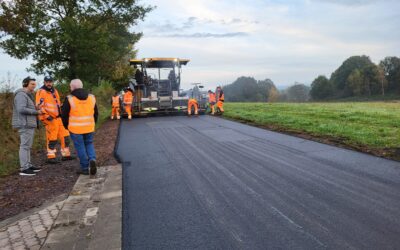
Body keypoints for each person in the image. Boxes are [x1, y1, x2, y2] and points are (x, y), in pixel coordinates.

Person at [61, 79, 98, 175]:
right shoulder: (91, 97)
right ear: (81, 86)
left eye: (70, 86)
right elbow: (96, 113)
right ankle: (92, 159)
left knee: (80, 147)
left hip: (75, 129)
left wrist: (66, 126)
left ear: (72, 87)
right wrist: (93, 123)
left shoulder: (69, 99)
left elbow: (64, 115)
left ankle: (85, 168)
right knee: (89, 144)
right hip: (89, 127)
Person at [36, 76, 72, 163]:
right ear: (44, 82)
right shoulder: (41, 92)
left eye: (50, 82)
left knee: (65, 136)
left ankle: (66, 155)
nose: (49, 83)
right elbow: (39, 106)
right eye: (47, 82)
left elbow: (57, 104)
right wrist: (46, 116)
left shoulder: (54, 91)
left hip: (59, 118)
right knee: (52, 138)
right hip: (49, 119)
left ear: (52, 82)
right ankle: (51, 156)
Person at [12, 76, 43, 176]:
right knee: (24, 146)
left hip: (29, 124)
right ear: (25, 84)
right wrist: (36, 112)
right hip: (24, 124)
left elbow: (26, 107)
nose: (34, 86)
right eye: (32, 84)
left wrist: (36, 107)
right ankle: (24, 168)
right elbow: (21, 109)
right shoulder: (21, 95)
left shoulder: (27, 95)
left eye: (35, 84)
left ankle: (28, 165)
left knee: (27, 146)